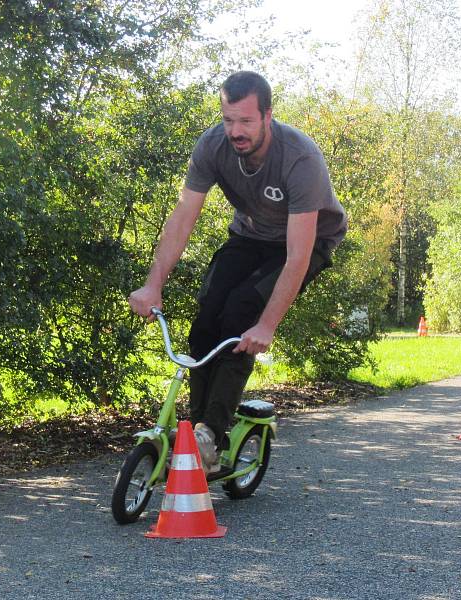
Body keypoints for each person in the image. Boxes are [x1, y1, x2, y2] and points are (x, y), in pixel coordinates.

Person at [128, 71, 347, 472]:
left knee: (241, 314)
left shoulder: (299, 157)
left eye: (246, 121)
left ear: (267, 116)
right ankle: (199, 432)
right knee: (207, 314)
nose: (236, 132)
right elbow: (183, 218)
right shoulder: (213, 145)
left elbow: (297, 255)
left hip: (307, 241)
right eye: (229, 120)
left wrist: (266, 326)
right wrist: (152, 284)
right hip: (249, 235)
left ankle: (212, 431)